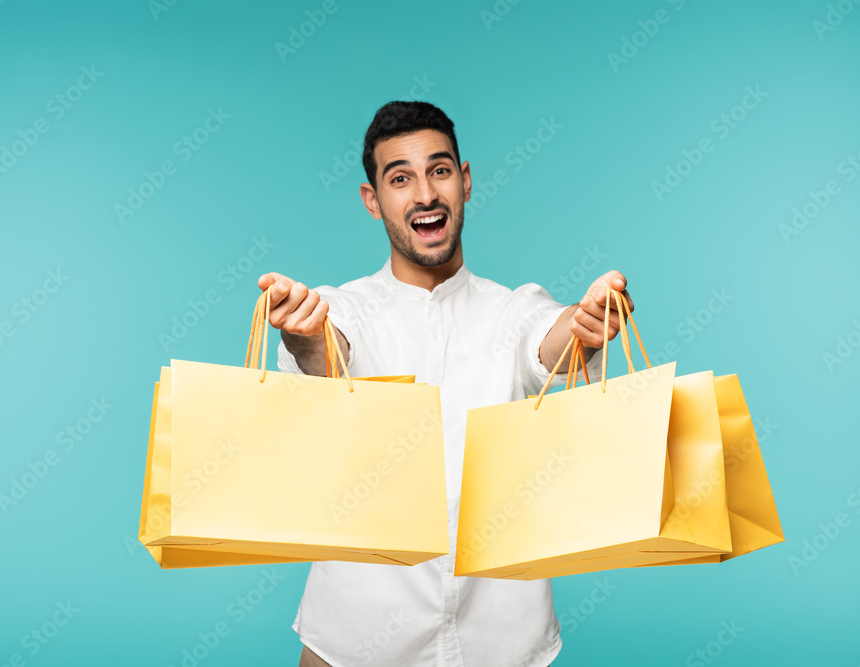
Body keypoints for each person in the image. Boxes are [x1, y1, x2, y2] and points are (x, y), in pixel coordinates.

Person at [257, 101, 633, 667]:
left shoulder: (512, 309)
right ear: (373, 200)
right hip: (353, 640)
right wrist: (305, 336)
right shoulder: (346, 308)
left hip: (503, 641)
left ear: (465, 181)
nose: (424, 194)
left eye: (439, 170)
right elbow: (328, 355)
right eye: (400, 178)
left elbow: (548, 340)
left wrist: (587, 323)